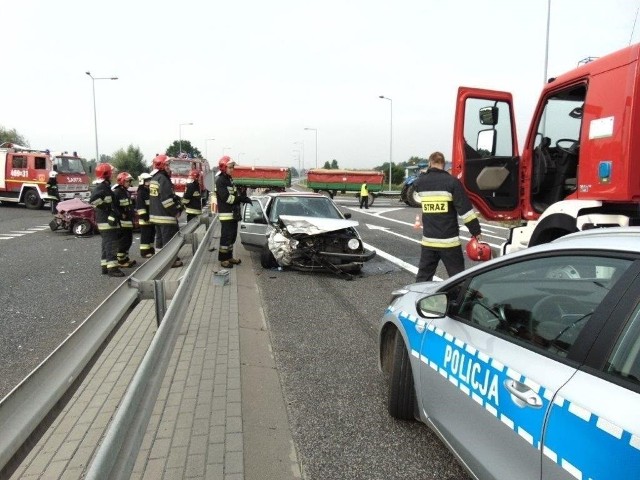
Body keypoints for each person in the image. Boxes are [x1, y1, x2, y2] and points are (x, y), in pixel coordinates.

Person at [414, 151, 482, 282]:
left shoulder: (421, 183)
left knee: (423, 279)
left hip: (428, 242)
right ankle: (458, 301)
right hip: (449, 243)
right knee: (458, 280)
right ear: (444, 164)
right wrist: (476, 231)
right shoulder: (452, 182)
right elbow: (465, 211)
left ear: (430, 163)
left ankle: (418, 300)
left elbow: (416, 185)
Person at [89, 163, 125, 277]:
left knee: (106, 244)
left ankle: (105, 266)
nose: (113, 174)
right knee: (111, 245)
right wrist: (107, 209)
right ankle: (113, 269)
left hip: (106, 221)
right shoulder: (102, 187)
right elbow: (93, 200)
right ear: (107, 173)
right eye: (111, 172)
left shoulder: (105, 186)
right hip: (107, 222)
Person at [215, 156, 251, 268]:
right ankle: (223, 259)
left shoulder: (229, 179)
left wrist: (241, 195)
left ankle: (229, 256)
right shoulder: (221, 181)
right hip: (226, 214)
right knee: (226, 237)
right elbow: (227, 198)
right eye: (230, 167)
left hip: (233, 213)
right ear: (224, 168)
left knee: (232, 236)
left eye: (232, 167)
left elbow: (234, 195)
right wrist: (240, 199)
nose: (232, 169)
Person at [149, 154, 184, 268]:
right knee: (168, 241)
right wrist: (175, 211)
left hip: (156, 215)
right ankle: (170, 262)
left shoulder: (155, 178)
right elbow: (166, 200)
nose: (170, 167)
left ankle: (159, 260)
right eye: (168, 164)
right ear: (163, 166)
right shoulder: (163, 179)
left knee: (159, 240)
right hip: (165, 216)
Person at [112, 172, 137, 268]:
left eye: (130, 181)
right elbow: (114, 207)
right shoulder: (117, 192)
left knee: (128, 241)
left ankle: (125, 258)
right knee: (123, 242)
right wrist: (120, 214)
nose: (129, 183)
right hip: (122, 223)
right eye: (127, 181)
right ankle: (121, 261)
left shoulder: (125, 191)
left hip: (128, 222)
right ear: (122, 181)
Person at [136, 172, 156, 258]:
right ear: (142, 181)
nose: (149, 182)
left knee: (151, 235)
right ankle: (144, 252)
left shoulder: (148, 191)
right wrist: (144, 216)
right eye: (147, 180)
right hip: (145, 219)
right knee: (145, 236)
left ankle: (151, 250)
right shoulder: (141, 192)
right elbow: (140, 206)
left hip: (151, 218)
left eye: (150, 180)